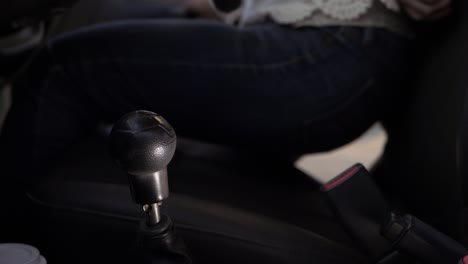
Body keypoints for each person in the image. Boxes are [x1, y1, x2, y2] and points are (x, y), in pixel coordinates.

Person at [0, 0, 451, 231]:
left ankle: (13, 239)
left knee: (64, 68)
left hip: (327, 55)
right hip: (328, 54)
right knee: (118, 30)